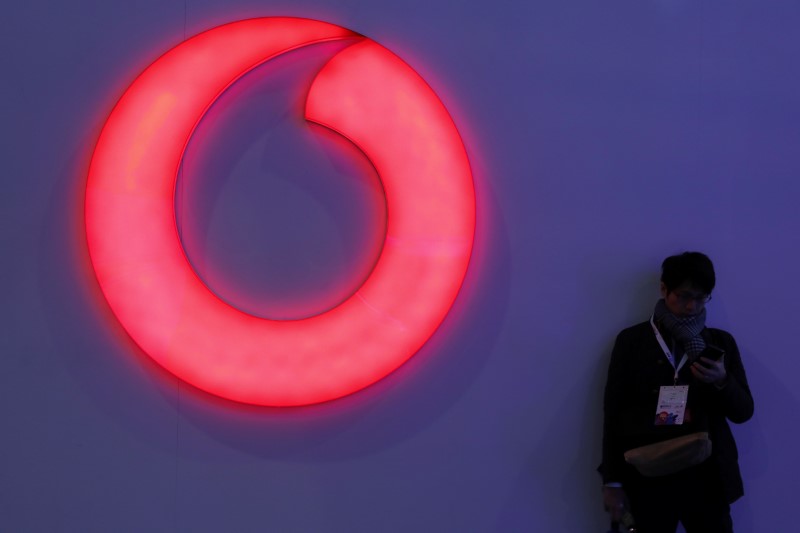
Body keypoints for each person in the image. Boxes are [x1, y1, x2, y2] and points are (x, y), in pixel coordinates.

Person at [599, 252, 754, 532]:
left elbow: (744, 412)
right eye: (683, 296)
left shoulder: (719, 342)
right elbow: (613, 414)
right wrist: (612, 481)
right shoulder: (632, 342)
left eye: (701, 297)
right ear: (663, 289)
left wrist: (722, 381)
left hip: (708, 479)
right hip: (648, 476)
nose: (692, 306)